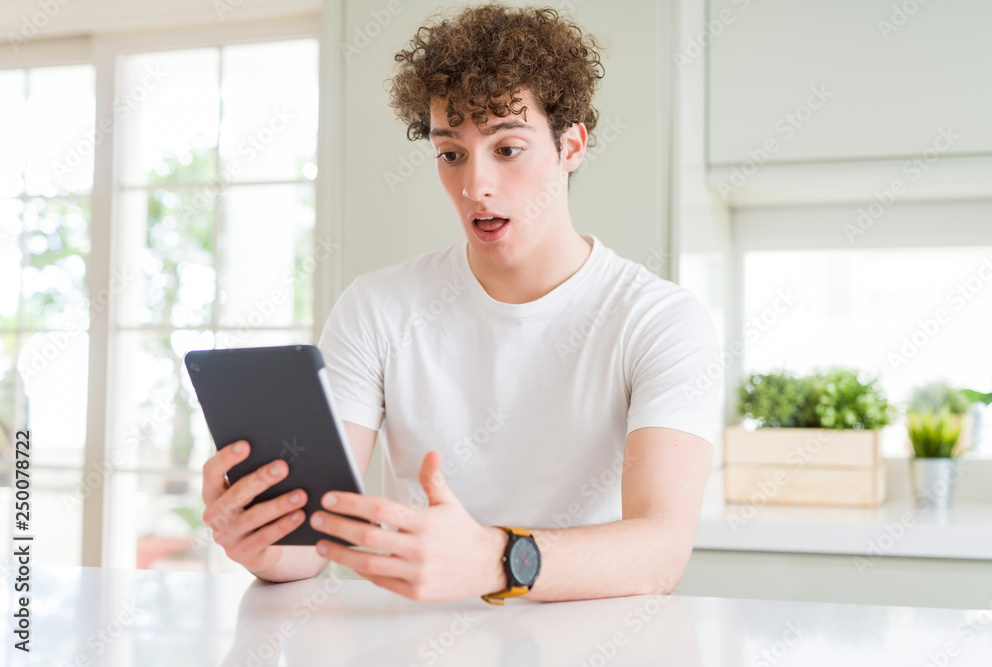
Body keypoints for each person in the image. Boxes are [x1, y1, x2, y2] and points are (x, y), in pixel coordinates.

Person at [201, 4, 721, 604]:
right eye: (452, 154)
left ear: (571, 146)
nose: (476, 187)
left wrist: (499, 561)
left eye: (507, 149)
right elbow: (314, 537)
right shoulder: (377, 307)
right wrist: (263, 541)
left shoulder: (659, 322)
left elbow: (659, 554)